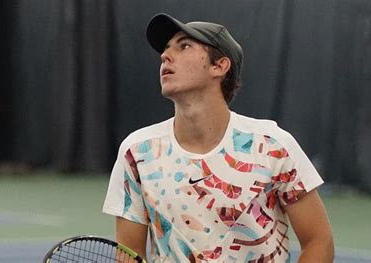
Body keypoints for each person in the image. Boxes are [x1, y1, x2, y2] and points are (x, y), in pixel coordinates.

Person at [103, 13, 334, 262]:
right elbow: (130, 254)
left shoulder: (273, 146)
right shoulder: (137, 152)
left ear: (219, 66)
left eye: (184, 46)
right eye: (166, 49)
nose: (165, 56)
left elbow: (318, 241)